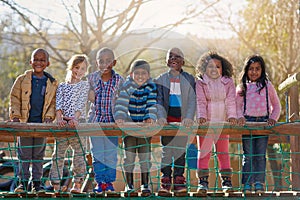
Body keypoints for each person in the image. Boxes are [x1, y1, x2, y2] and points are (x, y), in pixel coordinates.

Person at [9, 48, 58, 193]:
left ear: (47, 63)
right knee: (24, 155)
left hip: (41, 125)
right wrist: (15, 116)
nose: (38, 62)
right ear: (31, 62)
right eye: (35, 59)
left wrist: (50, 118)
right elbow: (14, 98)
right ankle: (22, 184)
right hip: (24, 124)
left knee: (38, 155)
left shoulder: (51, 83)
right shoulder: (22, 80)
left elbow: (53, 103)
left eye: (42, 60)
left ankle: (37, 184)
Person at [236, 54, 281, 193]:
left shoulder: (267, 86)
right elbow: (236, 106)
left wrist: (273, 118)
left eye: (257, 69)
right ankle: (247, 184)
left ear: (262, 70)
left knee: (260, 155)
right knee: (248, 155)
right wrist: (240, 117)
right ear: (246, 70)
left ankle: (259, 183)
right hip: (247, 122)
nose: (254, 72)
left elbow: (276, 105)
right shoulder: (242, 87)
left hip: (263, 123)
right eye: (251, 69)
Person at [155, 47, 196, 193]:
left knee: (180, 151)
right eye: (170, 56)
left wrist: (189, 118)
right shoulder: (160, 79)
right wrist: (161, 117)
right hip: (167, 120)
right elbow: (158, 100)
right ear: (166, 61)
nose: (173, 59)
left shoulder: (190, 79)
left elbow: (192, 100)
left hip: (182, 120)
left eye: (177, 56)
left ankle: (179, 180)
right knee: (167, 151)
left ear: (183, 61)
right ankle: (165, 180)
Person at [195, 51, 237, 193]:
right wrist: (202, 117)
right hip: (206, 124)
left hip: (222, 123)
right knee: (204, 153)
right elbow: (200, 101)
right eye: (210, 66)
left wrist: (232, 116)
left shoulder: (228, 82)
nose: (214, 69)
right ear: (204, 68)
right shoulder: (201, 82)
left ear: (222, 68)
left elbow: (231, 100)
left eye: (217, 66)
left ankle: (226, 182)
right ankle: (203, 182)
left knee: (223, 153)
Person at [114, 59, 157, 194]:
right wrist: (120, 116)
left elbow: (151, 104)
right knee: (130, 158)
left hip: (145, 128)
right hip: (130, 128)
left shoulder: (150, 87)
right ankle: (130, 185)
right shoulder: (127, 86)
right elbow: (121, 102)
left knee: (145, 157)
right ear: (131, 74)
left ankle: (145, 184)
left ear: (148, 75)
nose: (140, 76)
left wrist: (149, 117)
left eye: (143, 73)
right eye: (136, 73)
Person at [49, 54, 90, 193]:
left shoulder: (84, 85)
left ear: (86, 71)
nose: (79, 71)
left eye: (83, 69)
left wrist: (75, 118)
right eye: (76, 67)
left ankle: (77, 184)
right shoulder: (62, 86)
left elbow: (81, 103)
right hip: (63, 124)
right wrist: (59, 118)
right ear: (71, 67)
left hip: (78, 123)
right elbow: (58, 103)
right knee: (58, 155)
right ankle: (56, 185)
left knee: (79, 153)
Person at [87, 47, 124, 194]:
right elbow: (86, 98)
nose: (104, 64)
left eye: (108, 61)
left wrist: (121, 116)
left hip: (112, 123)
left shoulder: (119, 80)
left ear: (114, 63)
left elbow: (123, 101)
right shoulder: (91, 78)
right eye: (101, 61)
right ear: (97, 63)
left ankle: (109, 183)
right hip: (95, 122)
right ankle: (100, 182)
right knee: (97, 154)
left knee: (110, 154)